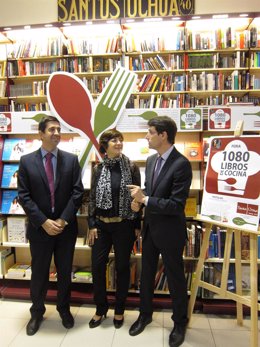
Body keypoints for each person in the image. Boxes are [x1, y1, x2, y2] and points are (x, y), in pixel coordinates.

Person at [127, 116, 192, 347]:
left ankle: (179, 322)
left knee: (175, 278)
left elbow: (176, 205)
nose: (147, 136)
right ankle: (145, 314)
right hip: (150, 227)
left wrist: (145, 199)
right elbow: (150, 192)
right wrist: (139, 201)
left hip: (171, 231)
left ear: (163, 135)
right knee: (146, 274)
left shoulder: (182, 164)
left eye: (150, 132)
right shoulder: (152, 160)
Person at [18, 116, 84, 336]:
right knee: (39, 272)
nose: (56, 133)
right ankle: (37, 312)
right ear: (41, 134)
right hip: (40, 229)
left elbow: (77, 193)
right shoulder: (26, 161)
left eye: (59, 129)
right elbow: (24, 196)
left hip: (65, 229)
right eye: (52, 129)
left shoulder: (71, 160)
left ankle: (63, 309)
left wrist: (63, 220)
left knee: (65, 272)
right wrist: (44, 221)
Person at [87, 129, 141, 329]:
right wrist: (91, 224)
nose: (119, 143)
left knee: (121, 267)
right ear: (105, 145)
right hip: (101, 225)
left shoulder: (132, 167)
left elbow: (138, 197)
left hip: (124, 225)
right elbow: (92, 197)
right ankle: (101, 308)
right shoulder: (98, 169)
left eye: (121, 140)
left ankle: (120, 308)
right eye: (114, 140)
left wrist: (136, 224)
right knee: (97, 267)